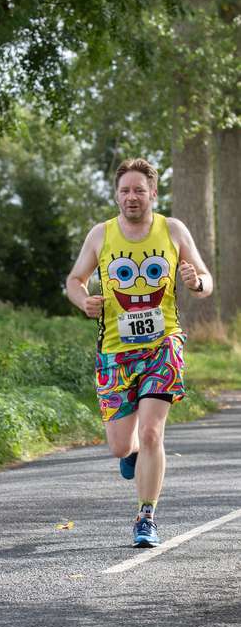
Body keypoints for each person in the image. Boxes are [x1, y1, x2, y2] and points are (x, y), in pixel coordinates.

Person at [66, 158, 213, 548]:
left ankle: (145, 516)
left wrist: (196, 282)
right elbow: (74, 279)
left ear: (153, 193)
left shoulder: (173, 230)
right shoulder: (101, 235)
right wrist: (84, 301)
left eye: (139, 190)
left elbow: (206, 278)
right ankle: (128, 454)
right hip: (115, 351)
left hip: (163, 345)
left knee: (151, 432)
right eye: (125, 190)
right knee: (121, 444)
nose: (132, 196)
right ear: (117, 195)